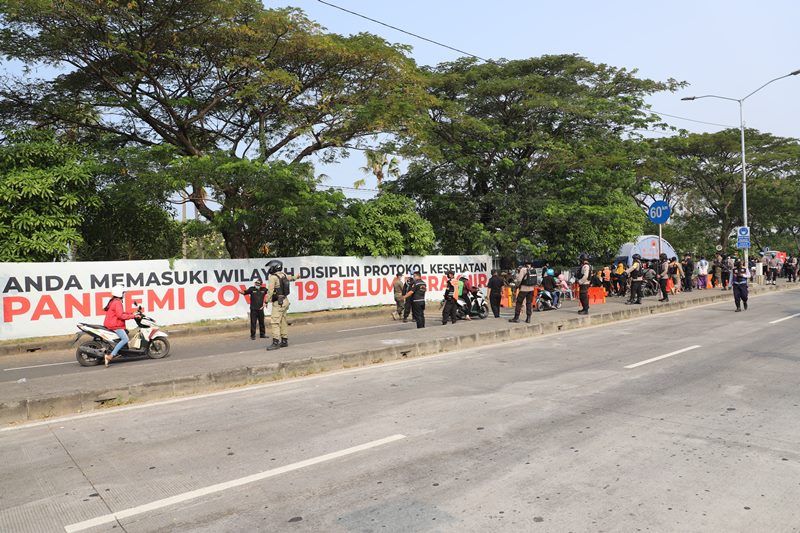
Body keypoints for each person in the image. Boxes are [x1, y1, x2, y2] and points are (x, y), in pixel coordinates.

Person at [264, 260, 301, 351]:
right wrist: (296, 276)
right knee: (283, 321)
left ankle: (275, 342)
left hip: (278, 303)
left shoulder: (273, 277)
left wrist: (266, 301)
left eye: (270, 267)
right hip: (285, 301)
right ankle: (284, 341)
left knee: (275, 322)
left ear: (275, 267)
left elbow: (270, 291)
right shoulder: (283, 274)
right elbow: (291, 277)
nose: (269, 269)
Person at [102, 285, 140, 367]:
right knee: (125, 339)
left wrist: (132, 313)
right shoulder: (117, 302)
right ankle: (110, 356)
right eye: (123, 293)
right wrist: (133, 316)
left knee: (125, 334)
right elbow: (120, 316)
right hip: (114, 325)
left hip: (111, 323)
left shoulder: (114, 301)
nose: (124, 295)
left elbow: (121, 313)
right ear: (119, 293)